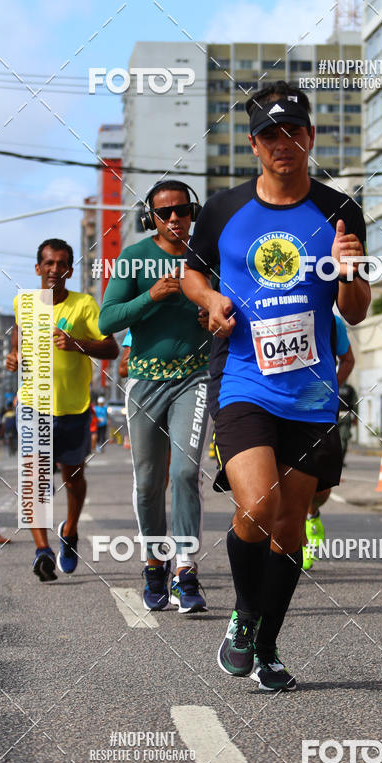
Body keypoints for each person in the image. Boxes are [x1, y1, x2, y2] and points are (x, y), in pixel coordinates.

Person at [182, 81, 370, 691]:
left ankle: (268, 641)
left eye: (293, 133)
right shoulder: (223, 210)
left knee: (291, 525)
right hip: (243, 379)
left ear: (310, 138)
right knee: (258, 504)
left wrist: (349, 276)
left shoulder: (339, 209)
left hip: (312, 394)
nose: (282, 145)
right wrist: (210, 298)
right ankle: (242, 615)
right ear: (254, 144)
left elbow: (358, 309)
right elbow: (190, 275)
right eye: (270, 135)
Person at [99, 180, 211, 614]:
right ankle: (153, 564)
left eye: (181, 210)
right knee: (149, 481)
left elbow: (231, 306)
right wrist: (151, 295)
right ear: (151, 219)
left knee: (185, 472)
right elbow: (107, 318)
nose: (174, 219)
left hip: (194, 380)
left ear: (192, 212)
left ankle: (186, 570)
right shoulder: (132, 259)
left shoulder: (206, 257)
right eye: (164, 213)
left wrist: (213, 314)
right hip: (145, 382)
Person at [6, 238, 119, 581]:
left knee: (73, 479)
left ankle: (69, 532)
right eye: (49, 263)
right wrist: (14, 357)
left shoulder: (84, 304)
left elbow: (111, 349)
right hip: (33, 405)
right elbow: (18, 341)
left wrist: (77, 344)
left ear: (70, 270)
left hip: (74, 407)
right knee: (35, 480)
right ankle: (42, 550)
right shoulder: (24, 302)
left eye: (62, 264)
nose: (55, 269)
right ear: (38, 268)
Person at [302, 313, 355, 571]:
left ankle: (312, 514)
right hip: (278, 401)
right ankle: (295, 540)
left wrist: (328, 388)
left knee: (319, 488)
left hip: (319, 404)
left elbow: (348, 360)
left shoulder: (333, 322)